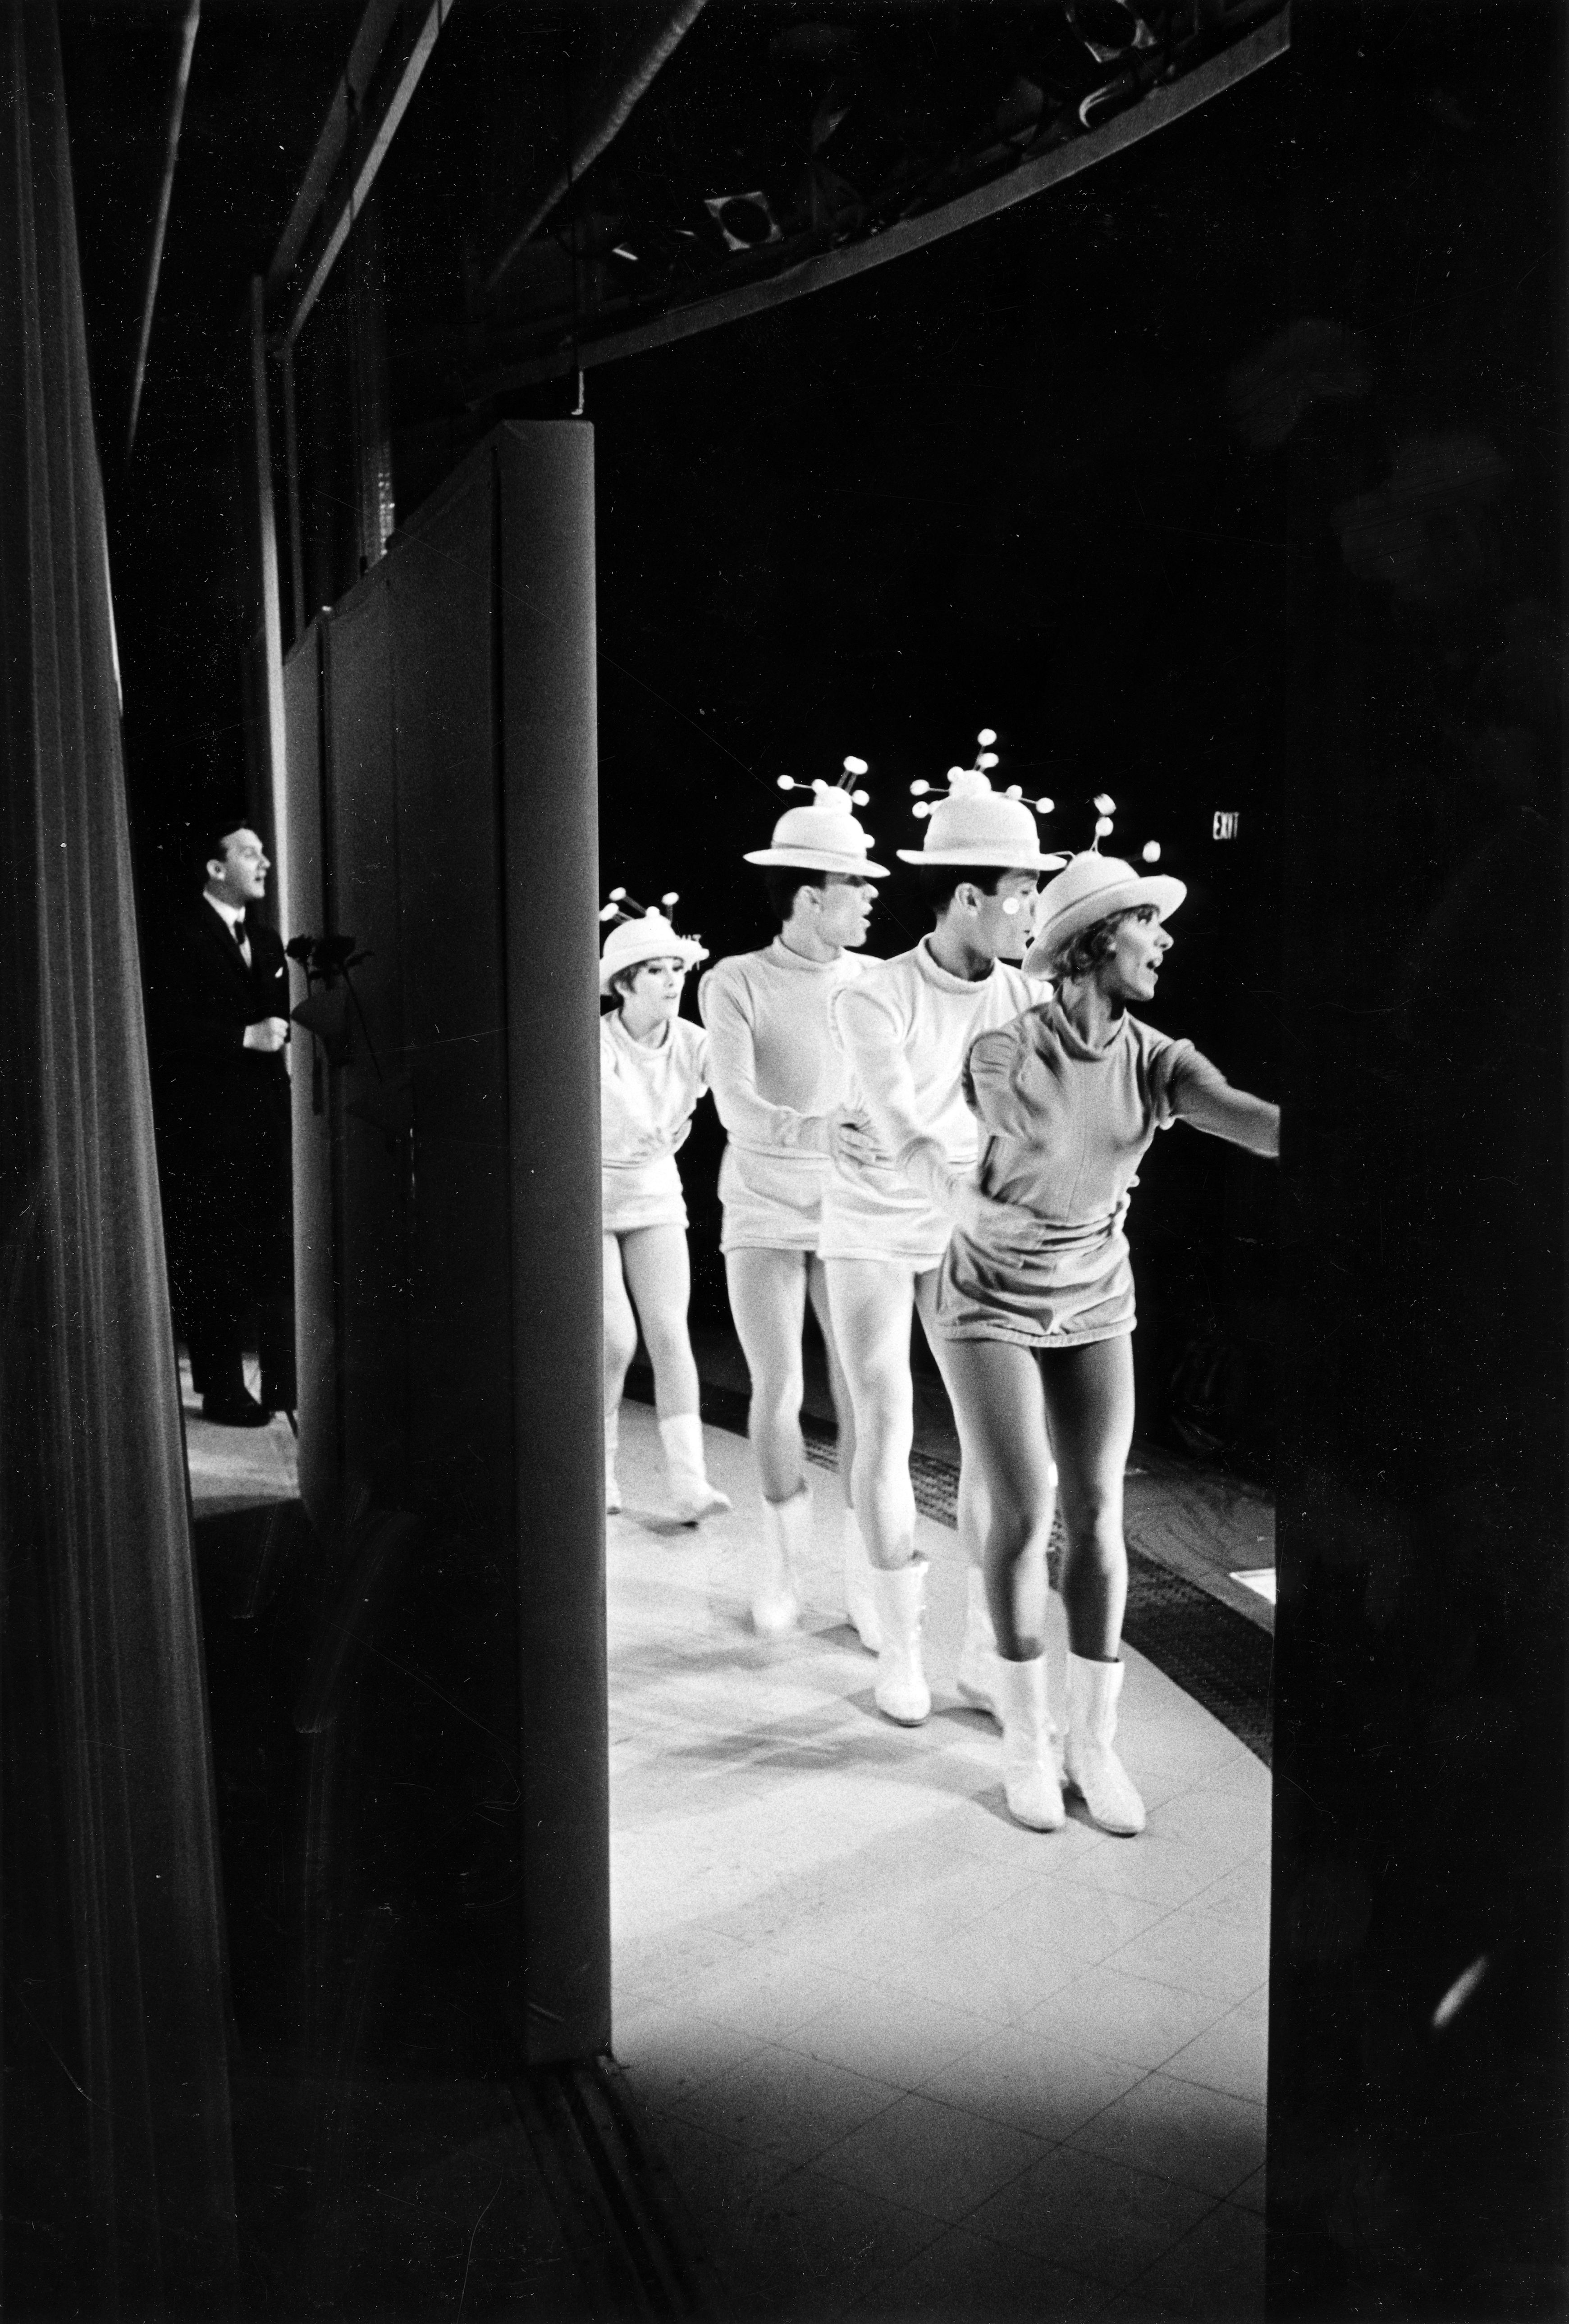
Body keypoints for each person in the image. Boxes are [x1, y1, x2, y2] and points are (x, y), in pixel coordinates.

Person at [933, 849, 1280, 1836]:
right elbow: (999, 1112)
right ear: (1094, 940)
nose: (1165, 939)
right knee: (1024, 1502)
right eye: (1147, 924)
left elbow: (1253, 1123)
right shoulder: (1006, 1049)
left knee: (1095, 1508)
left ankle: (1093, 1742)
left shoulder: (1162, 1057)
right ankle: (1024, 1736)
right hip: (989, 1293)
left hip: (1092, 1296)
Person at [821, 740, 1063, 1726]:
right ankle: (902, 1647)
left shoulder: (1029, 999)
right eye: (1019, 892)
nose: (1031, 913)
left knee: (1001, 1446)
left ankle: (982, 1654)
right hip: (877, 1225)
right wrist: (961, 1196)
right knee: (886, 1416)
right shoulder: (873, 994)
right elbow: (899, 1122)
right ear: (966, 898)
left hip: (972, 1232)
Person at [699, 766, 886, 1639]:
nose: (870, 899)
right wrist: (823, 1131)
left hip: (853, 1211)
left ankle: (863, 1585)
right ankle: (780, 1572)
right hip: (766, 1207)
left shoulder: (879, 979)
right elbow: (736, 1108)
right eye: (856, 885)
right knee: (780, 1384)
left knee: (863, 1395)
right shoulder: (733, 982)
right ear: (809, 898)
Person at [152, 818, 295, 1425]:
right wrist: (245, 1036)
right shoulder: (179, 934)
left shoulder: (266, 941)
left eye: (263, 853)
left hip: (266, 1124)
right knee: (215, 1259)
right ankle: (220, 1387)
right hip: (207, 1130)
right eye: (249, 853)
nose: (263, 862)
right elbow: (165, 1029)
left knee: (272, 1253)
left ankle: (284, 1384)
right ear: (216, 867)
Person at [599, 897, 731, 1525]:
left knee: (669, 1332)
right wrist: (653, 1131)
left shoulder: (696, 1042)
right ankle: (597, 1473)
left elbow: (743, 1089)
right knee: (613, 1340)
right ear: (624, 982)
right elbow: (621, 1113)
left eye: (676, 967)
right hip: (591, 1198)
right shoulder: (593, 1039)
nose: (673, 979)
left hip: (655, 1195)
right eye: (655, 969)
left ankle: (689, 1483)